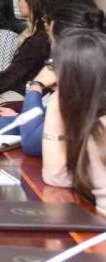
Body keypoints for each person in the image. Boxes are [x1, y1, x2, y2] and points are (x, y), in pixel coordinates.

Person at [0, 2, 105, 157]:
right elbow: (41, 122)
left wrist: (36, 85)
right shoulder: (84, 82)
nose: (51, 51)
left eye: (52, 43)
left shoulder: (91, 92)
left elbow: (32, 141)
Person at [41, 30, 106, 215]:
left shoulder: (101, 131)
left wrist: (56, 102)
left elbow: (55, 175)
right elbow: (59, 177)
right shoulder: (94, 120)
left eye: (54, 67)